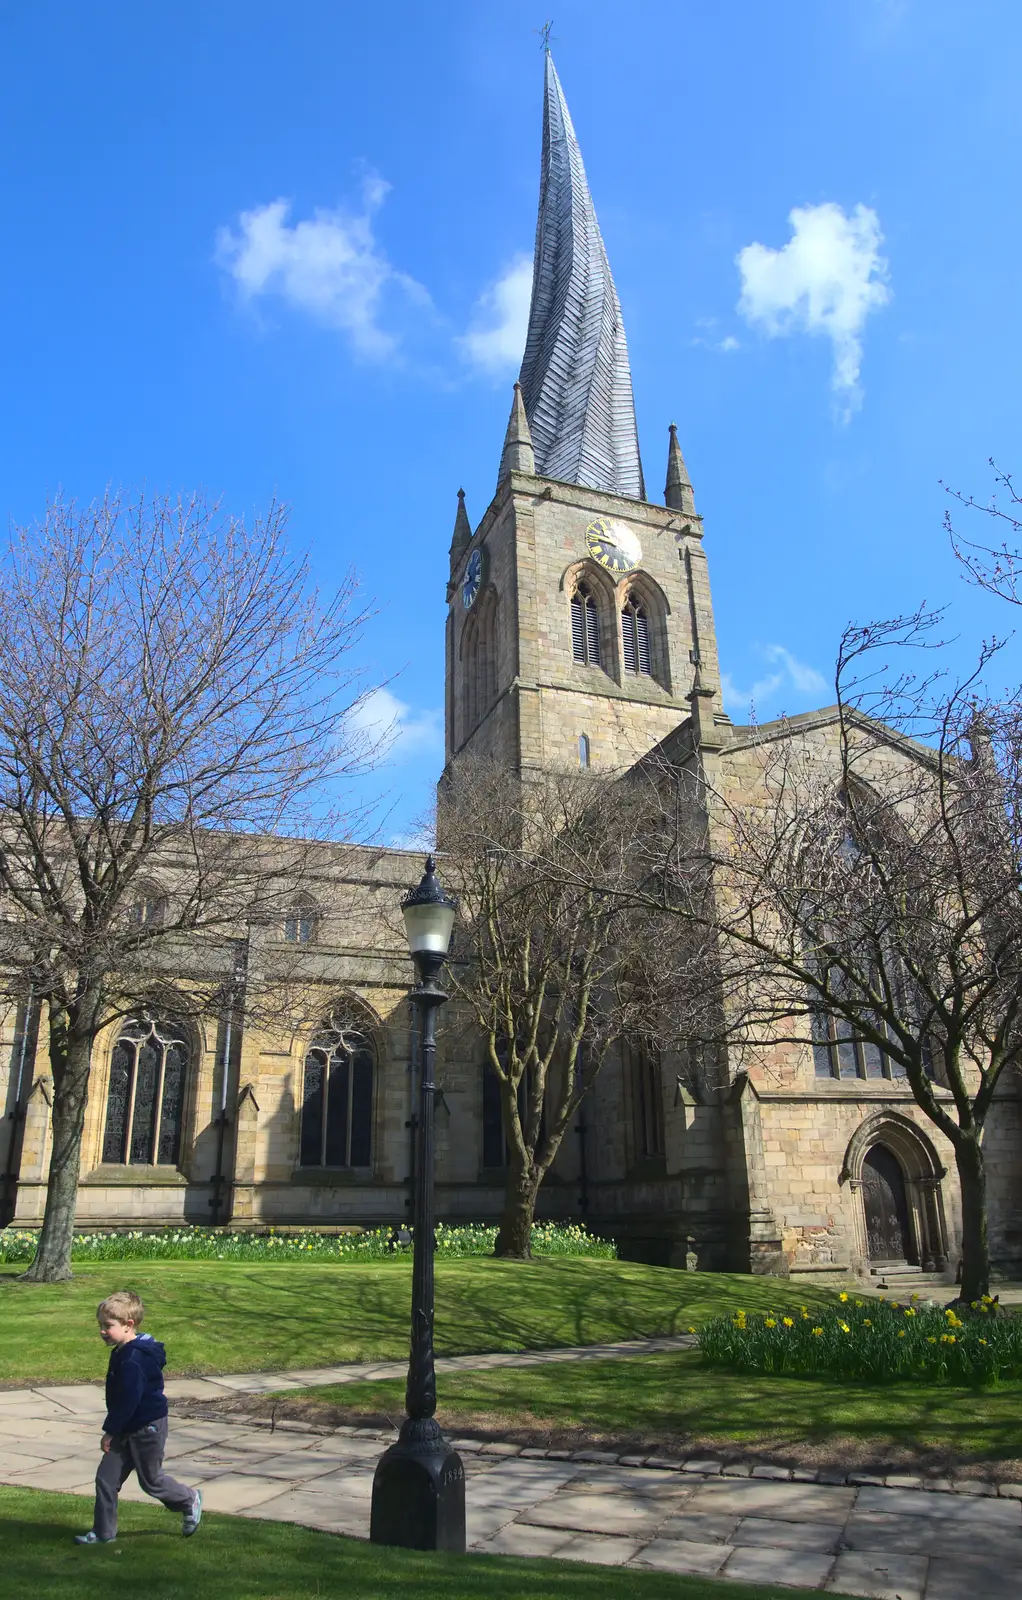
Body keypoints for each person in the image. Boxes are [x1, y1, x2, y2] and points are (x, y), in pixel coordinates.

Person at [74, 1289, 201, 1545]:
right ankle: (103, 1534)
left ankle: (189, 1500)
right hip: (127, 1426)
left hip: (147, 1427)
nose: (101, 1331)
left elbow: (129, 1401)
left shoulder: (133, 1358)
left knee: (151, 1481)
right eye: (100, 1325)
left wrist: (110, 1431)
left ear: (128, 1325)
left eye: (107, 1325)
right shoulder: (125, 1350)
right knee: (106, 1479)